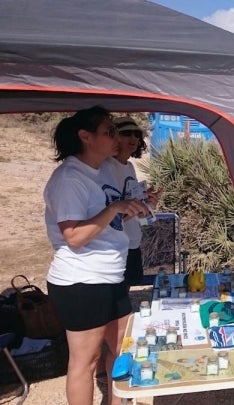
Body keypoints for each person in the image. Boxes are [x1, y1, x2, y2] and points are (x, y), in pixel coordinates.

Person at [43, 106, 149, 405]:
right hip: (81, 282)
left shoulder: (101, 171)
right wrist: (115, 208)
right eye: (109, 131)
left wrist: (129, 209)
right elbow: (74, 236)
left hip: (110, 276)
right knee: (85, 362)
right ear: (85, 136)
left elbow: (107, 223)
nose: (116, 137)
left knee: (123, 349)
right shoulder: (69, 178)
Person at [100, 115, 159, 287]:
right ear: (114, 137)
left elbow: (132, 205)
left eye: (136, 134)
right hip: (115, 247)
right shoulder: (105, 167)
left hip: (133, 242)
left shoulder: (129, 167)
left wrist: (147, 203)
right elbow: (112, 211)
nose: (133, 138)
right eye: (126, 133)